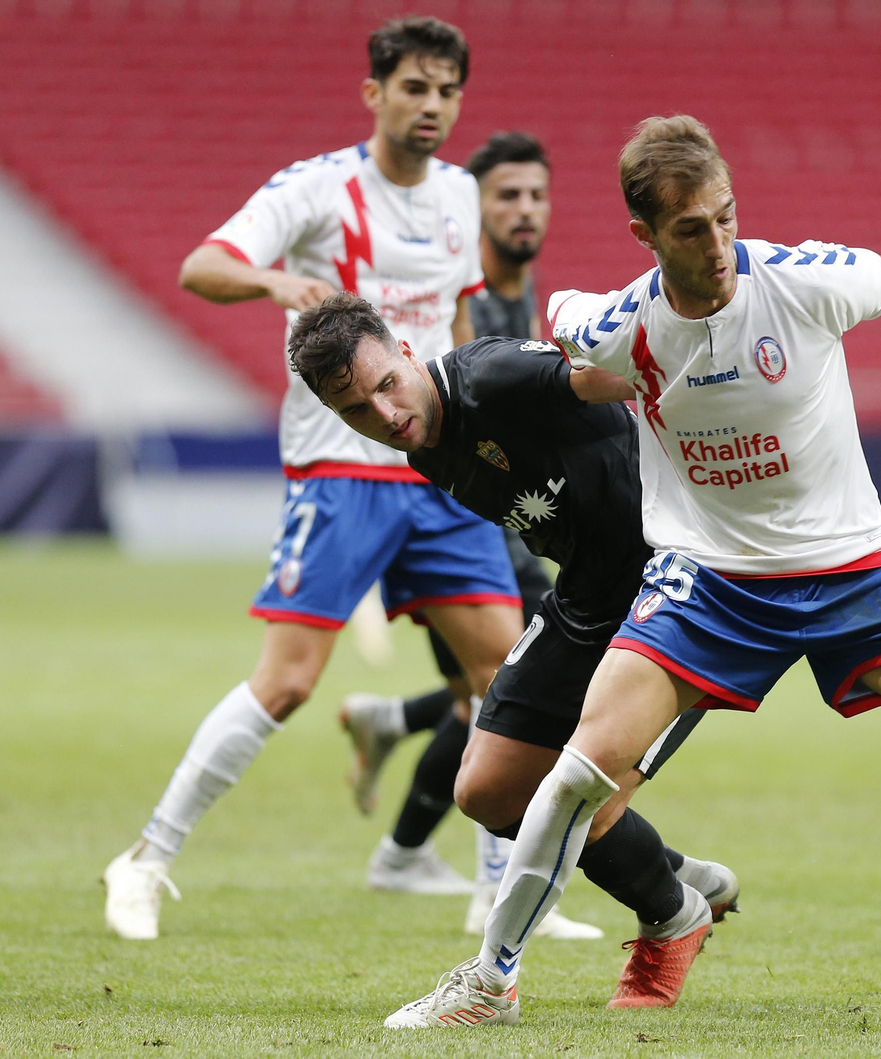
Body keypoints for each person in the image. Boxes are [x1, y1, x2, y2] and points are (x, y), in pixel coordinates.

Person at [386, 115, 881, 1030]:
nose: (719, 245)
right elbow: (567, 314)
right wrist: (553, 324)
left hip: (856, 562)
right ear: (648, 237)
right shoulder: (625, 327)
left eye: (726, 217)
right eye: (691, 230)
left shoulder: (808, 281)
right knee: (581, 769)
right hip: (710, 580)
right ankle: (488, 982)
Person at [101, 16, 526, 941]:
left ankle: (501, 893)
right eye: (414, 88)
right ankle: (146, 858)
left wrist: (480, 437)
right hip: (340, 473)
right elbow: (200, 266)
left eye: (447, 91)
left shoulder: (463, 196)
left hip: (438, 472)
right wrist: (276, 287)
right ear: (375, 93)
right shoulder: (318, 189)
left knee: (505, 673)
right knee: (288, 682)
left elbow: (457, 317)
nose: (432, 106)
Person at [288, 292, 741, 1009]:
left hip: (678, 584)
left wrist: (716, 353)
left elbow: (606, 377)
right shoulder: (423, 447)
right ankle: (674, 877)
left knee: (584, 805)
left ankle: (668, 918)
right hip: (589, 596)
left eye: (385, 385)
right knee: (488, 791)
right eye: (356, 412)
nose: (385, 415)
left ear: (408, 352)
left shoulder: (491, 375)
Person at [337, 129, 596, 936]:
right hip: (475, 530)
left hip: (520, 534)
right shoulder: (467, 305)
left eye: (536, 195)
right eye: (505, 196)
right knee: (507, 704)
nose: (524, 211)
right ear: (470, 208)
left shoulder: (523, 292)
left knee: (482, 702)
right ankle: (501, 886)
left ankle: (403, 830)